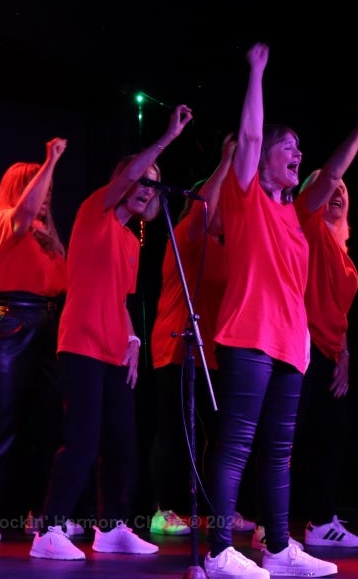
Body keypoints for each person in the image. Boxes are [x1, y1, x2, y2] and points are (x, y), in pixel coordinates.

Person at [29, 104, 193, 561]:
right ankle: (50, 528)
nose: (146, 188)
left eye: (153, 183)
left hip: (114, 349)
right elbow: (126, 179)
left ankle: (112, 525)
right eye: (141, 178)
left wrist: (135, 342)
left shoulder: (130, 240)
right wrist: (166, 138)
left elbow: (121, 300)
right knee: (81, 439)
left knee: (123, 440)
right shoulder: (94, 212)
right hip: (80, 344)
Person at [202, 43, 336, 579]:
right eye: (289, 147)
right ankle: (216, 553)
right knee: (236, 445)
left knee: (279, 451)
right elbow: (252, 136)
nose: (296, 155)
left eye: (299, 149)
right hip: (248, 337)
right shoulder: (245, 195)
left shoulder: (294, 219)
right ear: (262, 160)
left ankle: (277, 549)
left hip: (289, 345)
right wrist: (256, 73)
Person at [290, 104, 358, 550]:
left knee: (329, 440)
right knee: (287, 439)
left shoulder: (345, 256)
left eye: (344, 191)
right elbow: (329, 176)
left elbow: (342, 311)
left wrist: (345, 354)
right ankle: (263, 521)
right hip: (299, 345)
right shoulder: (305, 226)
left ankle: (321, 521)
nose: (337, 191)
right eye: (330, 187)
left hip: (331, 352)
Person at [0, 139, 68, 542]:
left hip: (45, 325)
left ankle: (33, 512)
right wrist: (51, 160)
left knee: (44, 424)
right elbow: (24, 212)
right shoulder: (4, 221)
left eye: (49, 192)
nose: (44, 199)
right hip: (7, 321)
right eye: (38, 188)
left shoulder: (50, 239)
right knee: (0, 418)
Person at [147, 134, 240, 537]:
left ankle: (213, 509)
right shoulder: (188, 232)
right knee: (174, 430)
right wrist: (227, 160)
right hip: (177, 345)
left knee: (217, 435)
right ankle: (162, 508)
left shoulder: (226, 248)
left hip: (214, 353)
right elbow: (207, 202)